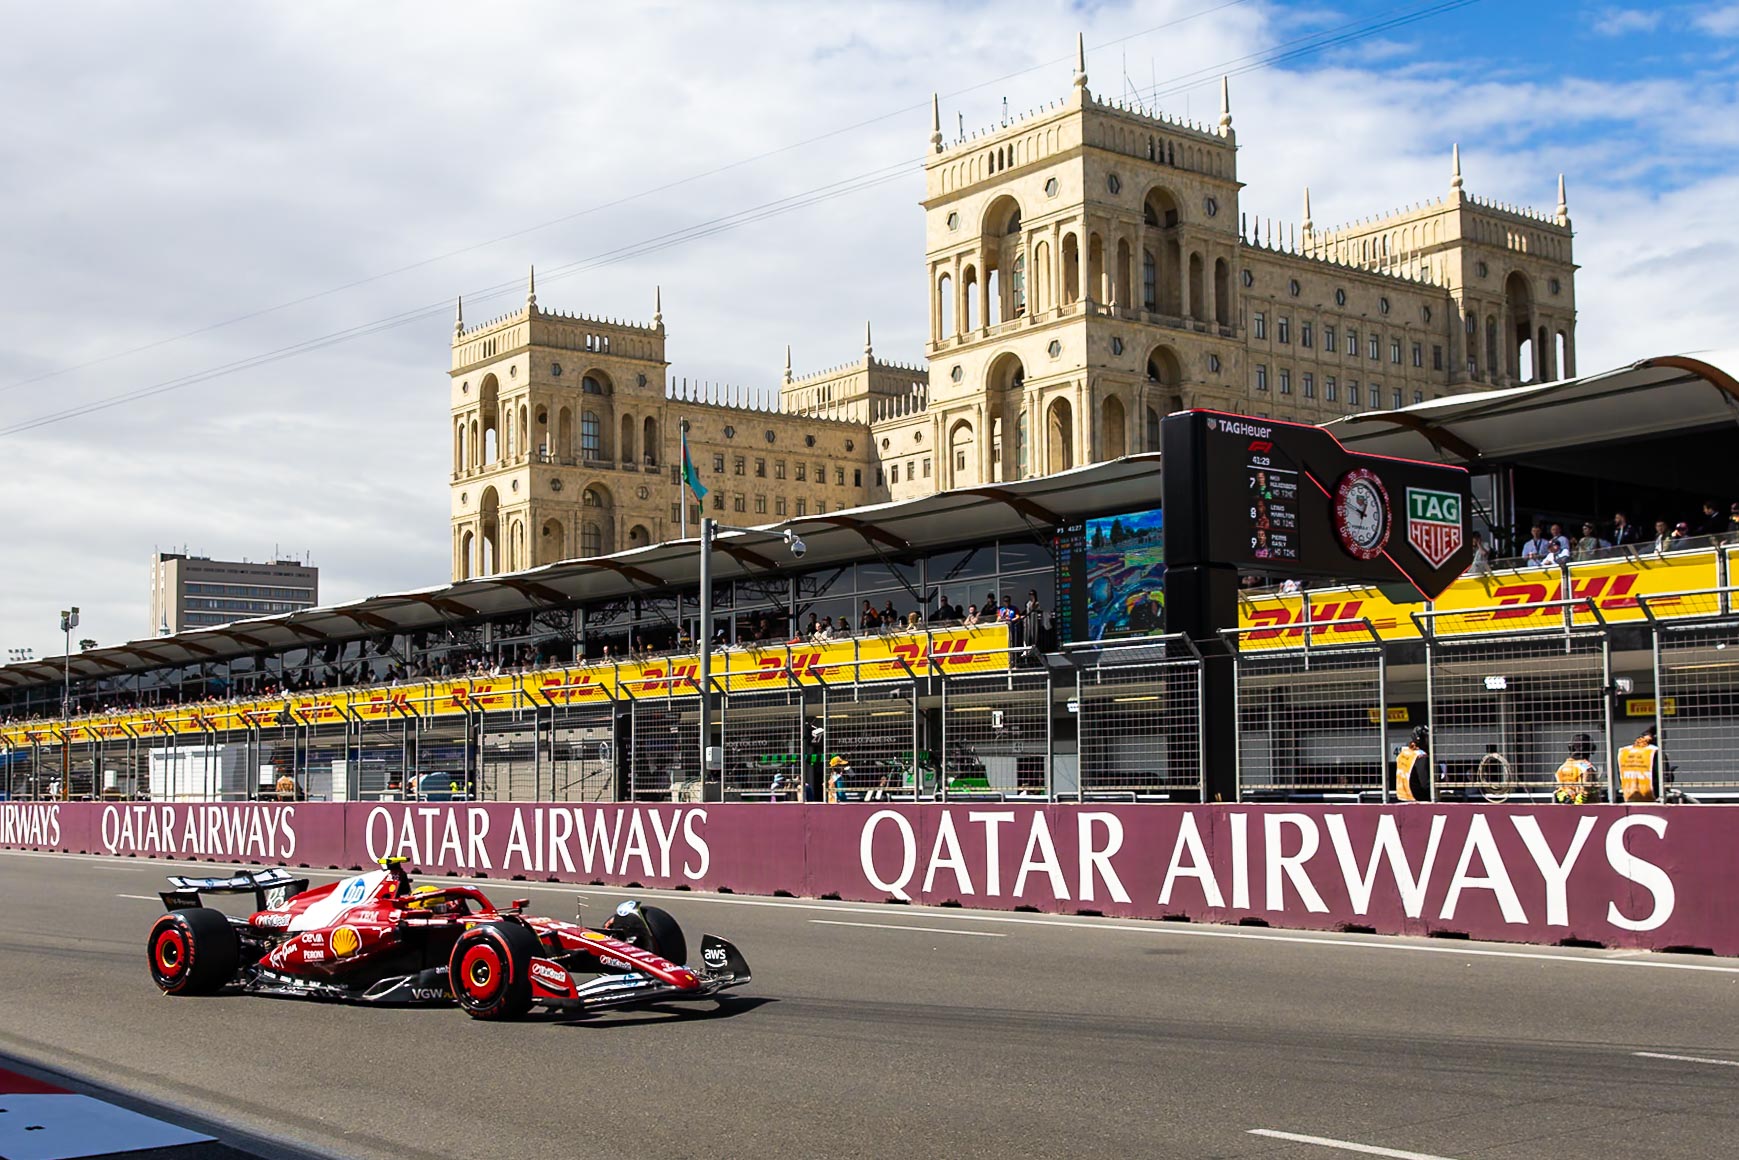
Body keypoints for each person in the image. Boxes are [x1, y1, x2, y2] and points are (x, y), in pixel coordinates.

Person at [1617, 724, 1662, 804]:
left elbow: (1620, 773)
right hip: (1652, 797)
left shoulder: (1624, 752)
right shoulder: (1654, 752)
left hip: (1629, 795)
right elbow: (1663, 777)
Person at [1553, 733, 1602, 804]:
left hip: (1565, 807)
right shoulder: (1587, 768)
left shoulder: (1561, 768)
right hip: (1588, 807)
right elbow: (1586, 791)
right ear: (1591, 748)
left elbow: (1559, 789)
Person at [1394, 726, 1430, 803]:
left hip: (1402, 796)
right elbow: (1425, 784)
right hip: (1416, 797)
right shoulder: (1421, 756)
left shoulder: (1403, 753)